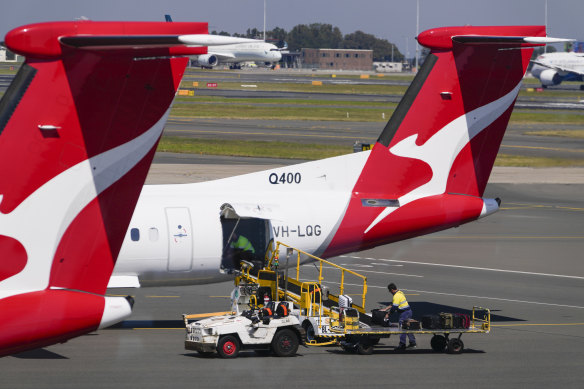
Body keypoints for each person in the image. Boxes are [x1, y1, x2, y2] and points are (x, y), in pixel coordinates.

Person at [380, 282, 416, 351]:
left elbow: (394, 307)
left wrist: (388, 314)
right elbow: (393, 303)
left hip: (404, 313)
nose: (390, 292)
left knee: (402, 328)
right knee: (408, 327)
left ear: (392, 290)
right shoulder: (400, 292)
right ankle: (412, 343)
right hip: (409, 311)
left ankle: (402, 345)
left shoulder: (396, 296)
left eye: (390, 291)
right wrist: (386, 308)